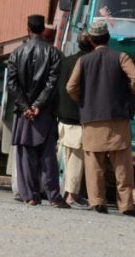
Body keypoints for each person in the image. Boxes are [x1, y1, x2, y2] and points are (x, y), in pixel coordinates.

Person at [66, 20, 135, 217]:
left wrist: (83, 100)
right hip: (118, 117)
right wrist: (127, 93)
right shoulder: (121, 57)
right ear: (108, 38)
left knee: (94, 163)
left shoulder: (83, 61)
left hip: (92, 118)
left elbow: (71, 87)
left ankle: (97, 202)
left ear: (91, 40)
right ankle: (126, 205)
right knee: (122, 164)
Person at [6, 14, 67, 207]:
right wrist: (38, 105)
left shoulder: (16, 53)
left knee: (25, 155)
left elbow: (12, 84)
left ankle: (30, 196)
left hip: (24, 114)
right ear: (43, 29)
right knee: (48, 155)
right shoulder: (55, 54)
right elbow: (52, 83)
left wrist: (26, 107)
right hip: (45, 111)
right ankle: (54, 197)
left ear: (28, 28)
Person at [57, 32, 94, 209]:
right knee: (76, 159)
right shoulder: (90, 65)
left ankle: (65, 191)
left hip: (63, 116)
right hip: (79, 118)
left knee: (67, 156)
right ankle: (72, 195)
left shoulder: (65, 61)